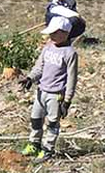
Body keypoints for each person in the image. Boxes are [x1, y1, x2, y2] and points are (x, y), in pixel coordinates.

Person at [19, 16, 79, 162]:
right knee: (36, 119)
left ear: (65, 33)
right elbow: (39, 67)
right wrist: (30, 78)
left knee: (52, 123)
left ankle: (48, 149)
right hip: (41, 91)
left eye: (54, 33)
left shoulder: (70, 53)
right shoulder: (48, 47)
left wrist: (67, 100)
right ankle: (34, 143)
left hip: (56, 94)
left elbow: (72, 78)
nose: (51, 36)